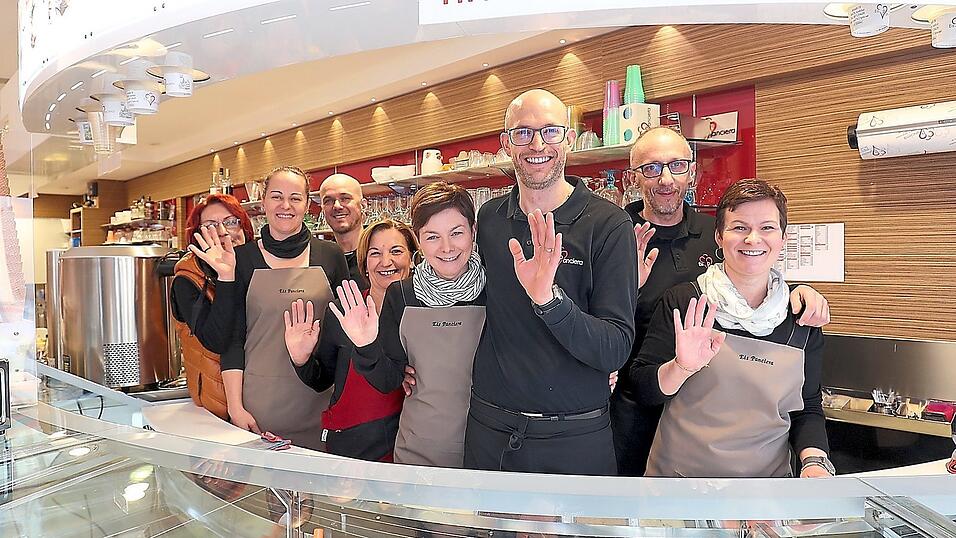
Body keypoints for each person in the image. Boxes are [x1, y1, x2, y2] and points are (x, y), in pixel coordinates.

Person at [611, 126, 832, 476]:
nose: (666, 178)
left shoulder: (797, 317)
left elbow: (806, 405)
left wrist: (815, 462)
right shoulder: (614, 234)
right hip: (640, 416)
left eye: (677, 165)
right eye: (652, 167)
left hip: (759, 476)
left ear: (692, 172)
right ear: (632, 177)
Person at [464, 89, 638, 475]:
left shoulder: (609, 225)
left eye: (551, 132)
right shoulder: (490, 219)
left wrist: (549, 300)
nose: (537, 144)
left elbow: (614, 348)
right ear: (506, 144)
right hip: (490, 429)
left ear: (569, 140)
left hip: (575, 436)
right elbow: (462, 292)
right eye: (523, 133)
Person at [335, 182, 486, 467]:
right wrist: (366, 344)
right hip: (419, 450)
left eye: (457, 233)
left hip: (485, 448)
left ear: (473, 232)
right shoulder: (402, 294)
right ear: (418, 239)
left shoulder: (495, 289)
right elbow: (390, 380)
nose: (447, 248)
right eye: (432, 237)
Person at [220, 166, 350, 450]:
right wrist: (235, 407)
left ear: (307, 204)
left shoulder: (330, 256)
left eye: (295, 197)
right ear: (263, 202)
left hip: (320, 402)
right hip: (258, 409)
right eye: (277, 196)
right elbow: (232, 340)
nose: (285, 206)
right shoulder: (240, 260)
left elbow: (346, 334)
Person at [284, 219, 416, 461]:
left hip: (414, 443)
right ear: (365, 265)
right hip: (353, 446)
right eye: (375, 253)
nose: (386, 261)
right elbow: (321, 379)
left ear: (412, 259)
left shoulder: (426, 311)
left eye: (396, 251)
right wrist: (300, 359)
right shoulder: (344, 310)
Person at [171, 194, 255, 421]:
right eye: (210, 226)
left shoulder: (256, 266)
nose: (223, 232)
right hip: (218, 407)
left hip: (262, 397)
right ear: (196, 235)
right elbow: (216, 340)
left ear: (245, 227)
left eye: (231, 222)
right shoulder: (187, 279)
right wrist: (226, 278)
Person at [318, 173, 369, 290]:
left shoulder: (378, 254)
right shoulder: (319, 258)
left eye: (345, 198)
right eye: (328, 201)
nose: (337, 206)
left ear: (363, 205)